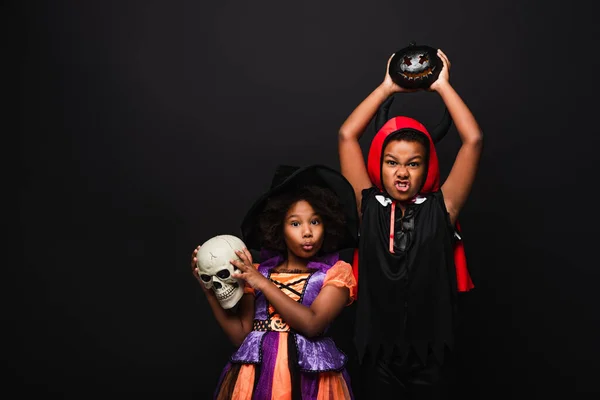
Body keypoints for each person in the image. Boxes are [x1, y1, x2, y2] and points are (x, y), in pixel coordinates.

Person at [337, 48, 483, 398]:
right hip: (377, 356)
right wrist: (387, 87)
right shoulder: (366, 207)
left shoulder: (442, 207)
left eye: (413, 163)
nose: (402, 173)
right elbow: (346, 136)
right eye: (392, 162)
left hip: (432, 357)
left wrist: (442, 86)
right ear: (379, 164)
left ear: (426, 168)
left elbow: (473, 140)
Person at [191, 164, 360, 399]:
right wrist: (207, 286)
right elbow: (241, 336)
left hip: (309, 377)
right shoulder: (258, 272)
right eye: (295, 223)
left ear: (328, 225)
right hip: (257, 375)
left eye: (315, 221)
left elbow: (312, 325)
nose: (307, 232)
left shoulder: (337, 273)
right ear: (278, 228)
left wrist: (261, 283)